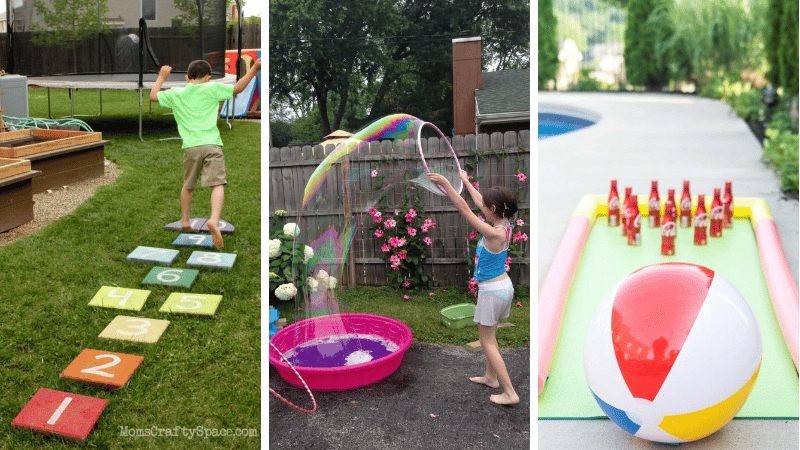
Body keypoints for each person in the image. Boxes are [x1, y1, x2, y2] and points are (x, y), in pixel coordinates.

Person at [428, 170, 520, 405]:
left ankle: (510, 392)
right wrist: (466, 181)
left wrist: (448, 186)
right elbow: (478, 202)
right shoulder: (505, 225)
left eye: (487, 207)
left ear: (494, 209)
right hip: (501, 288)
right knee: (491, 336)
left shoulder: (493, 233)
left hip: (493, 292)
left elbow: (466, 209)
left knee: (486, 341)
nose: (483, 208)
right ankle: (491, 378)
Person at [149, 58, 261, 249]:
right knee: (217, 184)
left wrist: (162, 76)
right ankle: (214, 220)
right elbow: (238, 89)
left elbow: (153, 96)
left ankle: (185, 221)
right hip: (211, 144)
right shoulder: (212, 89)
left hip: (191, 147)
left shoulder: (177, 93)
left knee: (189, 184)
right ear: (208, 77)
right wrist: (254, 69)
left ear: (187, 77)